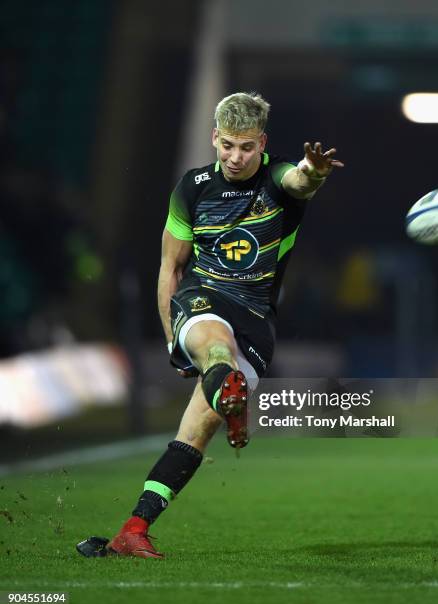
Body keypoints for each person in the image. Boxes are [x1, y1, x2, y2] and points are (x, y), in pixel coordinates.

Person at [84, 92, 343, 559]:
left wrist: (315, 172)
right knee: (217, 347)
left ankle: (133, 529)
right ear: (214, 139)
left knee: (195, 433)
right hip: (201, 299)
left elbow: (300, 182)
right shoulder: (192, 187)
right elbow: (170, 267)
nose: (236, 157)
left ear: (261, 143)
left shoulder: (279, 177)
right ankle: (228, 383)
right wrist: (171, 339)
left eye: (246, 147)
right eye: (227, 146)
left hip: (257, 318)